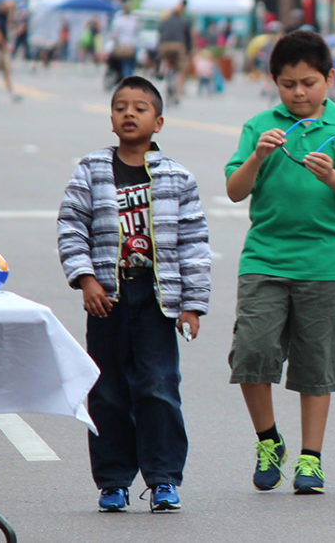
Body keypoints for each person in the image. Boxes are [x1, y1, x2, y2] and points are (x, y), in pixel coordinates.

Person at [225, 30, 335, 495]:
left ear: (330, 79)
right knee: (252, 352)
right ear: (274, 82)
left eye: (309, 82)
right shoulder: (259, 126)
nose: (299, 93)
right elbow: (234, 189)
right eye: (288, 84)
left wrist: (333, 175)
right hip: (265, 258)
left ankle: (311, 458)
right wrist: (257, 156)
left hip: (325, 263)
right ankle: (269, 440)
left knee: (316, 364)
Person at [56, 75, 211, 512]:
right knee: (106, 390)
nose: (129, 113)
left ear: (158, 122)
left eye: (140, 108)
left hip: (157, 301)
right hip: (107, 298)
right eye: (121, 106)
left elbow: (194, 243)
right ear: (110, 119)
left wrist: (193, 305)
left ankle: (163, 479)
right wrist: (85, 279)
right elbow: (71, 226)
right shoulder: (90, 170)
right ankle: (113, 481)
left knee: (159, 386)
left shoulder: (177, 178)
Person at [158, 0, 194, 102]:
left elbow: (160, 32)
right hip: (179, 46)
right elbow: (188, 38)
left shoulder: (165, 21)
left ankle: (162, 69)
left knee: (164, 57)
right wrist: (189, 50)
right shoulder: (184, 21)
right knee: (180, 70)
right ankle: (178, 94)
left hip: (165, 45)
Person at [0, 0, 21, 102]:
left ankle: (11, 92)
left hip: (1, 48)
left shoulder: (4, 17)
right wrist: (5, 46)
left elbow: (10, 23)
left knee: (6, 72)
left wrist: (12, 9)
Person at [109, 6, 140, 80]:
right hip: (131, 45)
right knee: (130, 64)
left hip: (121, 45)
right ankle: (129, 77)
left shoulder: (118, 21)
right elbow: (137, 33)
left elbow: (114, 34)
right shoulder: (134, 20)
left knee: (121, 63)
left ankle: (124, 78)